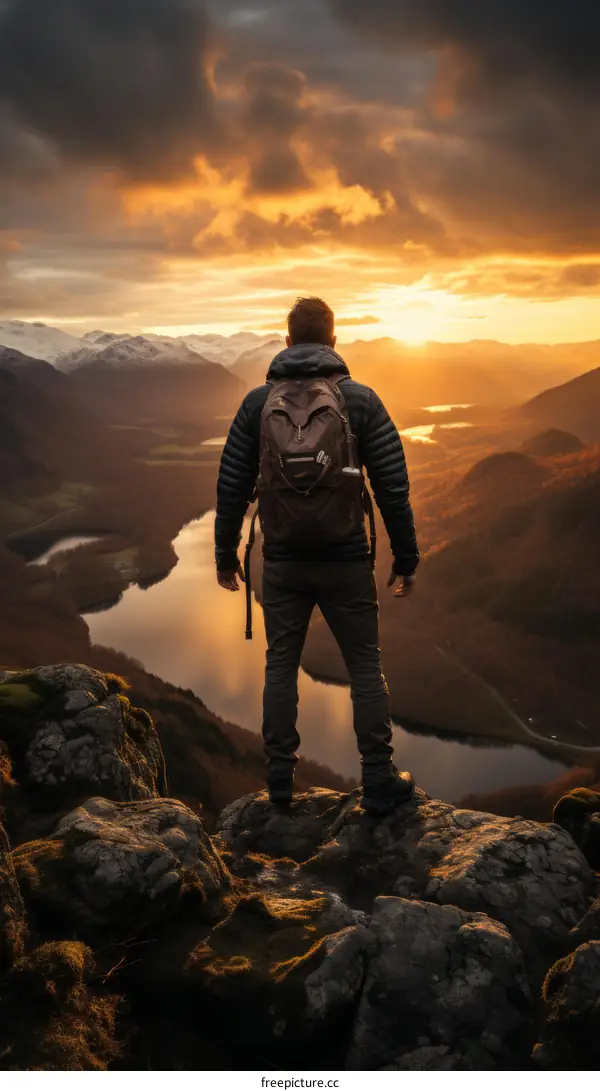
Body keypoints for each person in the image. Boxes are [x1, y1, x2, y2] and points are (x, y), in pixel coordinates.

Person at [215, 297, 420, 814]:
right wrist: (406, 556)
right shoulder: (361, 401)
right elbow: (393, 485)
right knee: (366, 667)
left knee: (280, 664)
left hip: (282, 559)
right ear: (333, 340)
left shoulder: (256, 404)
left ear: (287, 342)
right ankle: (378, 778)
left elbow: (232, 486)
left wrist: (225, 554)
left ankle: (280, 784)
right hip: (346, 555)